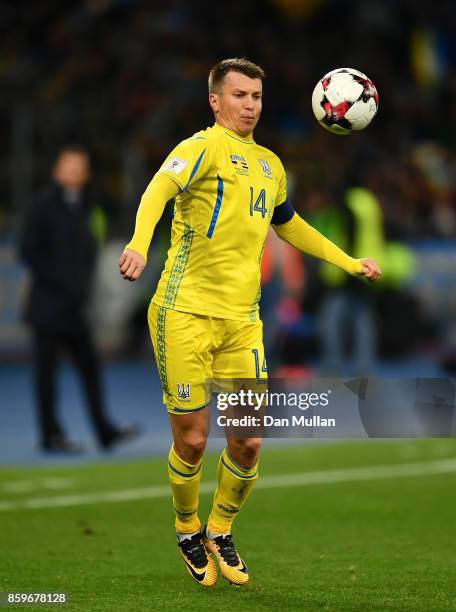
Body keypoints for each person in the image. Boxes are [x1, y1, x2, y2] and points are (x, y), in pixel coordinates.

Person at [119, 58, 381, 587]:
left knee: (249, 440)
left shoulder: (270, 165)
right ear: (215, 101)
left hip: (243, 321)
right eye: (239, 95)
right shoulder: (199, 148)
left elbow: (291, 226)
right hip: (183, 312)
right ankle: (187, 525)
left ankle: (221, 528)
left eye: (256, 97)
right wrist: (138, 244)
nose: (250, 105)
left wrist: (349, 262)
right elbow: (156, 193)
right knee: (193, 440)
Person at [20, 145, 139, 453]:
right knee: (45, 376)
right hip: (47, 308)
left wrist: (80, 287)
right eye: (68, 166)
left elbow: (90, 249)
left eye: (79, 167)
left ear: (86, 174)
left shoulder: (89, 206)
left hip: (74, 309)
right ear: (57, 171)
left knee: (90, 368)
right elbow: (28, 251)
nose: (73, 172)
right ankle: (50, 436)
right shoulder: (42, 206)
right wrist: (62, 281)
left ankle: (104, 431)